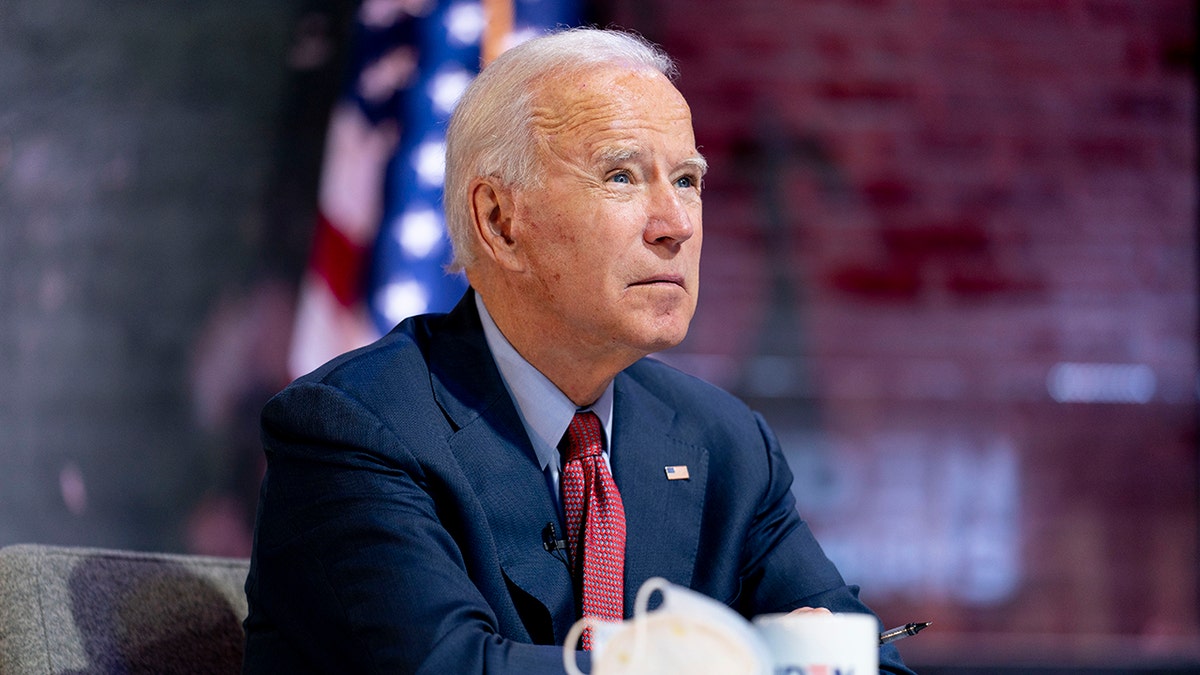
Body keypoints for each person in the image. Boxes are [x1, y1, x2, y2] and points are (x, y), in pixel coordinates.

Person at [242, 27, 916, 674]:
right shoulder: (356, 430)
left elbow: (871, 660)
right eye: (622, 176)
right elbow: (450, 667)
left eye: (687, 180)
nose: (676, 224)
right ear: (500, 222)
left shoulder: (726, 443)